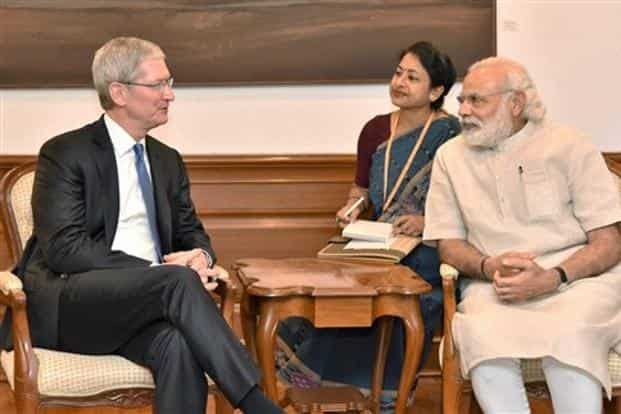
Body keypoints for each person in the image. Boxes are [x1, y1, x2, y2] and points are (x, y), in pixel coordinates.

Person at [0, 37, 282, 414]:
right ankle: (258, 404)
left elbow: (190, 230)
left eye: (170, 83)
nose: (170, 95)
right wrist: (158, 271)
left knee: (178, 346)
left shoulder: (167, 161)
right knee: (175, 281)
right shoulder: (65, 153)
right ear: (119, 92)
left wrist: (199, 256)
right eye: (158, 85)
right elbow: (65, 251)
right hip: (76, 305)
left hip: (147, 307)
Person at [423, 56, 621, 414]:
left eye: (477, 100)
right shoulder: (449, 157)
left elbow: (608, 241)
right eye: (462, 100)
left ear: (515, 103)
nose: (464, 110)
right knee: (482, 335)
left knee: (569, 336)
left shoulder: (570, 145)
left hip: (577, 282)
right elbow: (448, 243)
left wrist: (554, 277)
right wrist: (486, 266)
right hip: (495, 284)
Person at [277, 41, 460, 410]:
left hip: (428, 245)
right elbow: (361, 188)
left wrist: (426, 221)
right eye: (398, 73)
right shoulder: (375, 129)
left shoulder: (452, 135)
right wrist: (352, 207)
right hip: (380, 240)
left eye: (413, 77)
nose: (400, 83)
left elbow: (466, 202)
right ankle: (327, 384)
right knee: (339, 283)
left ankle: (379, 388)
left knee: (400, 292)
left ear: (436, 91)